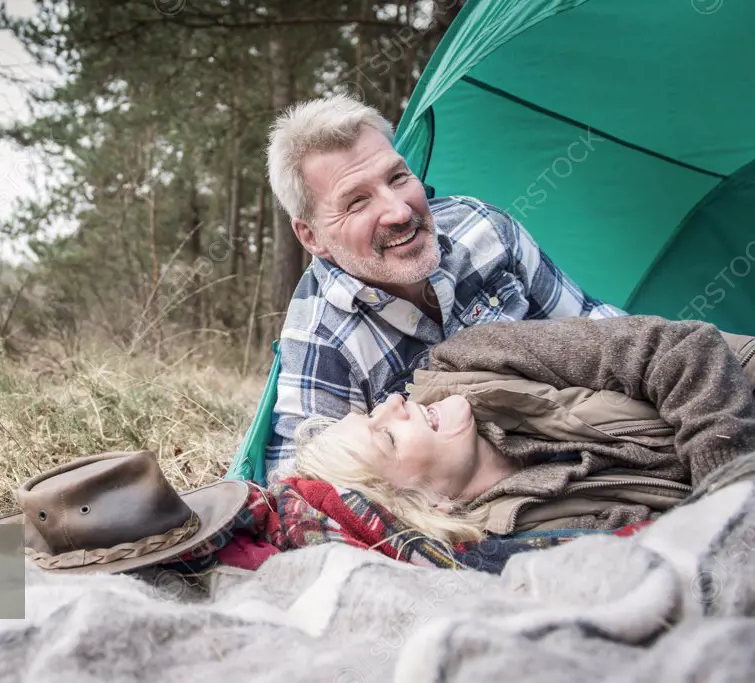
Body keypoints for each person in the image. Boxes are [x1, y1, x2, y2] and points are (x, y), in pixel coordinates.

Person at [264, 93, 627, 481]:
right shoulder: (321, 337)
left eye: (397, 178)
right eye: (356, 202)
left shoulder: (483, 228)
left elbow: (593, 327)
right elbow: (301, 487)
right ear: (311, 236)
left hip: (599, 453)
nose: (400, 211)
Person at [292, 315, 755, 545]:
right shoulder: (520, 539)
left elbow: (680, 349)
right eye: (387, 436)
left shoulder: (469, 358)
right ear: (428, 503)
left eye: (375, 411)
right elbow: (669, 544)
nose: (394, 404)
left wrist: (732, 496)